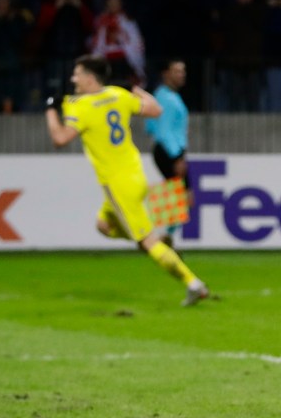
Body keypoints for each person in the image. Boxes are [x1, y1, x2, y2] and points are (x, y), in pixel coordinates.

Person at [44, 55, 210, 307]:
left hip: (116, 184)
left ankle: (193, 283)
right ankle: (156, 242)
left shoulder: (80, 106)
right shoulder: (117, 95)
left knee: (145, 242)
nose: (73, 78)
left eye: (77, 73)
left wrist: (49, 109)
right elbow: (155, 109)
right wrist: (134, 88)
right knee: (103, 225)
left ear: (89, 77)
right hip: (134, 175)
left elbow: (59, 139)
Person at [145, 59, 190, 247]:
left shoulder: (165, 96)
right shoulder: (165, 98)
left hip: (169, 150)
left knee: (179, 199)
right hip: (169, 151)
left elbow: (150, 126)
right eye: (176, 71)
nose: (181, 75)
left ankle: (166, 239)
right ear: (165, 74)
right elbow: (163, 131)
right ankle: (160, 239)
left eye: (183, 71)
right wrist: (177, 157)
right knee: (180, 198)